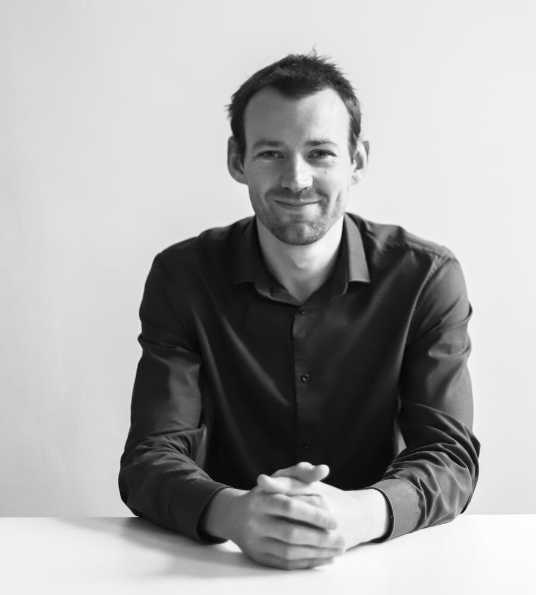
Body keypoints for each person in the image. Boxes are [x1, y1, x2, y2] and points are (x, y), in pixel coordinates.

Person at [118, 52, 481, 571]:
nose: (297, 179)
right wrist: (235, 513)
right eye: (270, 153)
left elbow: (449, 455)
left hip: (382, 565)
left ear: (358, 159)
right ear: (236, 160)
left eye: (320, 153)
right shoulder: (183, 277)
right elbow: (149, 458)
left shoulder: (426, 276)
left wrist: (359, 512)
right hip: (223, 568)